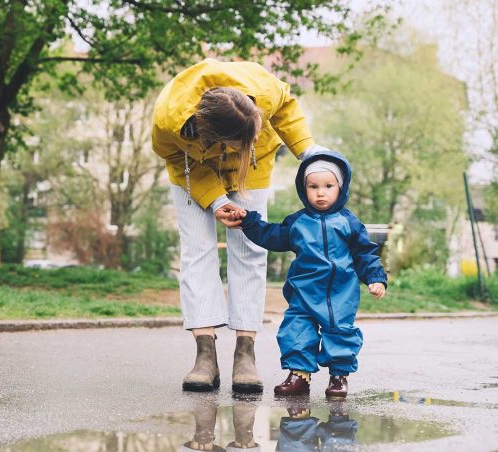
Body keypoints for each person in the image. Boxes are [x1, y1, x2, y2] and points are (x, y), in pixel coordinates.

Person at [152, 57, 328, 393]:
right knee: (197, 249)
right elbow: (173, 156)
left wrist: (307, 150)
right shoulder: (169, 120)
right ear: (216, 138)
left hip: (254, 165)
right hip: (191, 166)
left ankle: (245, 352)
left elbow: (288, 106)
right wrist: (217, 200)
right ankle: (205, 354)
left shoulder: (261, 89)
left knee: (250, 247)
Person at [236, 151, 387, 398]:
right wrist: (249, 222)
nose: (320, 192)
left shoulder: (349, 222)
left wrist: (375, 278)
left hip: (340, 294)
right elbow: (272, 236)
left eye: (328, 186)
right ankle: (299, 375)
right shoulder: (298, 222)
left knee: (339, 330)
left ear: (340, 187)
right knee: (296, 328)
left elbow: (365, 254)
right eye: (313, 186)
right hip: (304, 291)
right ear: (303, 188)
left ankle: (338, 376)